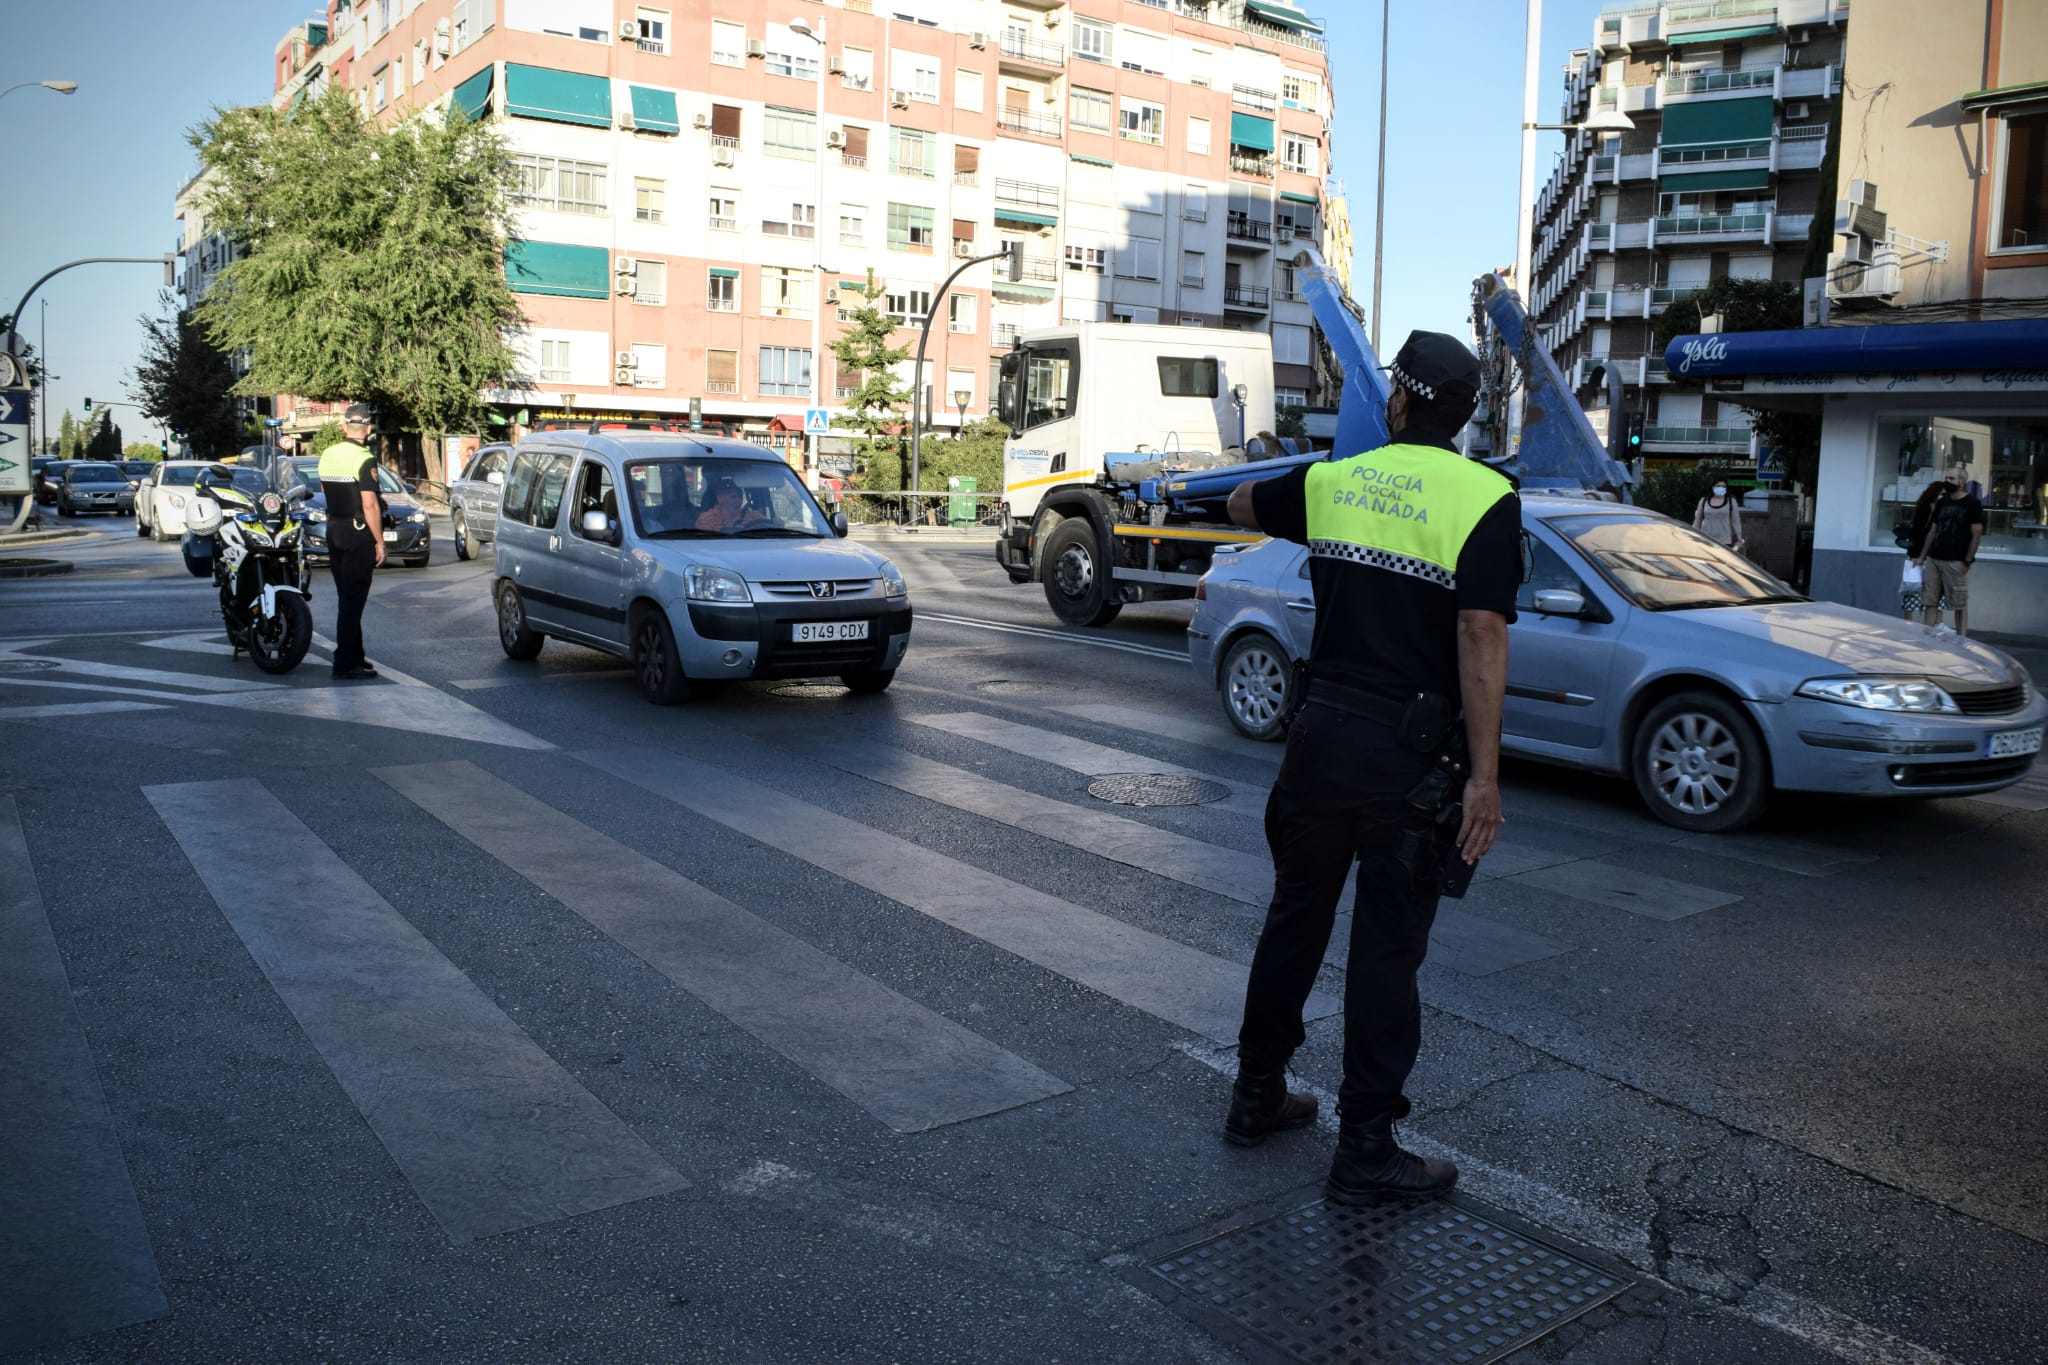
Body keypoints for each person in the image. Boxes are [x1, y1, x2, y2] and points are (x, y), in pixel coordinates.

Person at [1222, 331, 1520, 1205]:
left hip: (1318, 741)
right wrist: (1485, 777)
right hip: (1408, 757)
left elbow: (1243, 501)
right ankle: (1364, 1147)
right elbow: (1481, 633)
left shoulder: (1332, 482)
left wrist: (1274, 486)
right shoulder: (1486, 498)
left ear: (1400, 401)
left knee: (1295, 918)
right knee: (1386, 951)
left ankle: (1255, 1094)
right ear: (1463, 414)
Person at [317, 404, 386, 679]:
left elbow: (324, 489)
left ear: (345, 427)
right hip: (357, 533)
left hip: (334, 530)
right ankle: (344, 663)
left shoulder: (327, 454)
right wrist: (379, 541)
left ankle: (356, 656)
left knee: (346, 597)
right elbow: (369, 504)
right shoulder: (364, 458)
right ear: (368, 429)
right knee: (353, 600)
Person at [1915, 464, 1984, 636]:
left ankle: (1962, 639)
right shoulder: (1942, 502)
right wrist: (1922, 556)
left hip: (1955, 560)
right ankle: (1928, 636)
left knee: (1959, 603)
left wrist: (1967, 561)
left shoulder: (1972, 504)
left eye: (1951, 478)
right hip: (1934, 558)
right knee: (1930, 600)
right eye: (1946, 478)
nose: (1947, 481)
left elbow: (1976, 534)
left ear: (1962, 481)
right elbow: (1933, 529)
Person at [1901, 479, 1951, 622]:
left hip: (1927, 555)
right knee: (1914, 590)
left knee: (1929, 592)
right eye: (1941, 495)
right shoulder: (1928, 509)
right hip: (1921, 555)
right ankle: (1917, 625)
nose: (1943, 498)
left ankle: (1934, 625)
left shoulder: (1932, 508)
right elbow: (1919, 533)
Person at [694, 476, 767, 532]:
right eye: (733, 497)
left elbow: (769, 527)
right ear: (720, 498)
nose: (738, 501)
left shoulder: (754, 517)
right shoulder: (707, 520)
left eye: (740, 496)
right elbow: (705, 543)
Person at [1692, 478, 1745, 555]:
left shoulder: (1731, 501)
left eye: (1724, 486)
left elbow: (1736, 521)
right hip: (1706, 540)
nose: (1721, 488)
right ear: (1713, 487)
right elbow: (1697, 521)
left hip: (1724, 541)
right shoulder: (1704, 501)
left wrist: (1739, 538)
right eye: (1719, 486)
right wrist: (1693, 536)